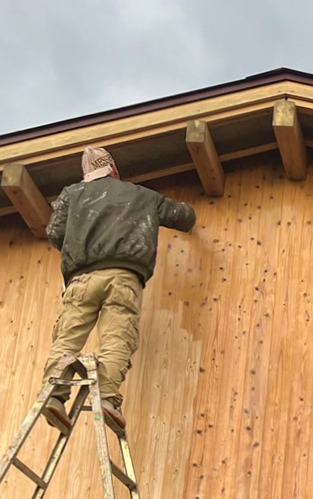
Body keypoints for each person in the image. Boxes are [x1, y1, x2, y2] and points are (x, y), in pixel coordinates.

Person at [42, 146, 197, 429]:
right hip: (123, 278)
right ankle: (107, 400)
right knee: (117, 339)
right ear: (114, 170)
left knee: (68, 339)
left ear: (87, 175)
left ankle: (54, 395)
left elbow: (55, 234)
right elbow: (184, 217)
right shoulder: (141, 195)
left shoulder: (72, 194)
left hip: (81, 280)